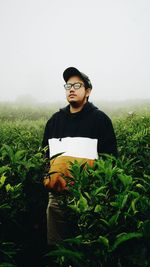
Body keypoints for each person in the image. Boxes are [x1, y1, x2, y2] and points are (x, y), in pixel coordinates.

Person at [42, 67, 118, 245]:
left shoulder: (100, 120)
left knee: (85, 247)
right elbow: (44, 155)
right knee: (57, 247)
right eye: (68, 85)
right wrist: (47, 178)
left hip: (88, 199)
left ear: (88, 91)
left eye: (77, 85)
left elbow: (111, 159)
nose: (71, 89)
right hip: (57, 198)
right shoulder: (54, 121)